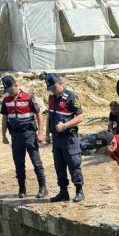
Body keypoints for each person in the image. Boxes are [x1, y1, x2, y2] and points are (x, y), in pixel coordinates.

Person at [0, 75, 48, 199]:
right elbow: (5, 118)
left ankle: (43, 187)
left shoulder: (28, 97)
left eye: (10, 89)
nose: (9, 92)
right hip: (15, 135)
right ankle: (22, 188)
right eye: (7, 90)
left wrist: (41, 133)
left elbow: (39, 114)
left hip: (29, 134)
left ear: (15, 85)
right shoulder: (6, 101)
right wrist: (3, 135)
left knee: (36, 162)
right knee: (18, 163)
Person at [43, 73, 85, 203]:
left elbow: (80, 117)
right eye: (50, 89)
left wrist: (65, 125)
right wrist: (47, 133)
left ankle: (79, 191)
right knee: (59, 165)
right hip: (56, 139)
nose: (53, 91)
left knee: (74, 163)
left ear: (60, 83)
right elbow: (49, 116)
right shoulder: (52, 98)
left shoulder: (71, 97)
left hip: (69, 138)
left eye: (54, 88)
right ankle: (63, 192)